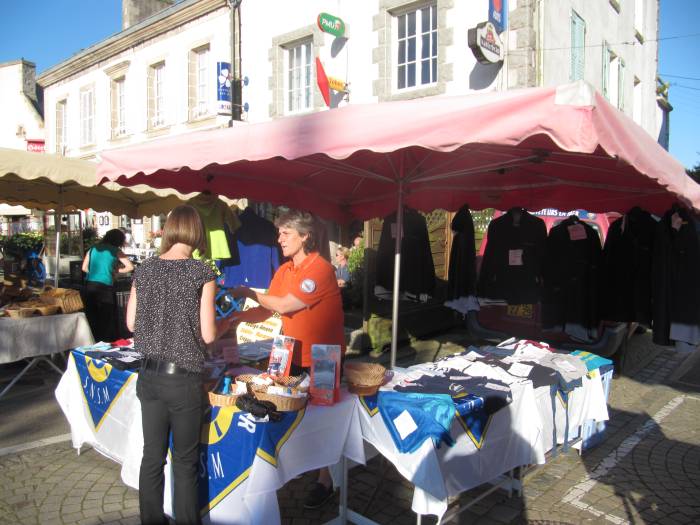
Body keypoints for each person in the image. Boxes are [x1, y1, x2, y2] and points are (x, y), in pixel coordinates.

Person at [228, 208, 345, 509]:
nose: (279, 238)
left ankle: (325, 479)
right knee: (284, 409)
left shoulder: (320, 269)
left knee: (323, 416)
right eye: (279, 232)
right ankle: (293, 465)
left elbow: (285, 304)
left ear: (305, 236)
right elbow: (268, 310)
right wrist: (235, 317)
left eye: (285, 233)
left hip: (323, 355)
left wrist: (249, 292)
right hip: (289, 351)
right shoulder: (285, 270)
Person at [126, 205, 235, 525]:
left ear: (170, 229)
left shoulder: (144, 268)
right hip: (183, 380)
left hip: (148, 375)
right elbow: (208, 333)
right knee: (185, 463)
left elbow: (131, 322)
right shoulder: (202, 272)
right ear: (197, 233)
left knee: (152, 457)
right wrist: (226, 325)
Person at [82, 228, 134, 342]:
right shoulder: (115, 250)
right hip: (105, 287)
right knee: (106, 320)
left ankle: (91, 342)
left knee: (91, 318)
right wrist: (115, 272)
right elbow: (130, 266)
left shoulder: (93, 248)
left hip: (90, 286)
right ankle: (104, 344)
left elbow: (84, 268)